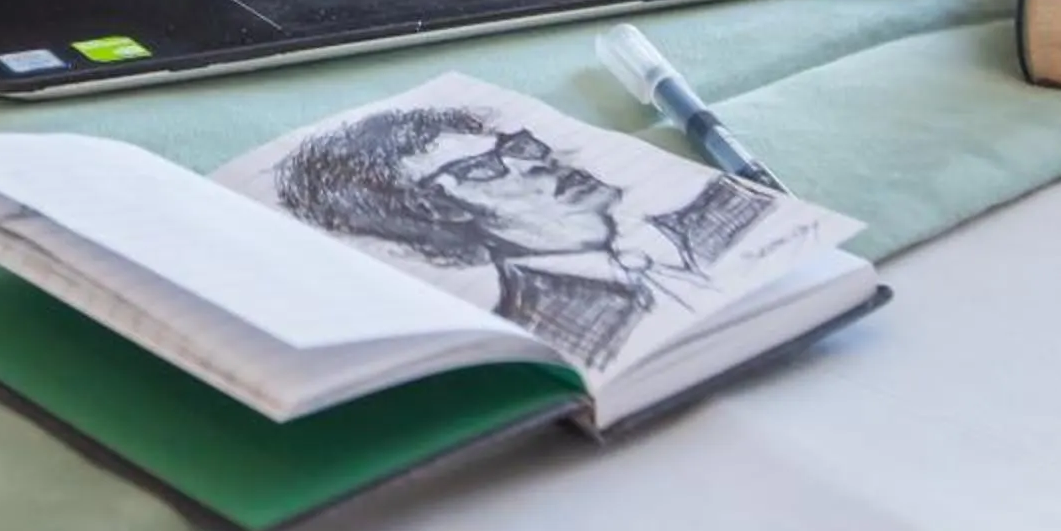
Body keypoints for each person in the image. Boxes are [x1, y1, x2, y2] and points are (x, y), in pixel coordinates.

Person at [273, 102, 771, 372]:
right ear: (436, 210)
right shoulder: (536, 345)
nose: (533, 162)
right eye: (482, 168)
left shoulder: (734, 211)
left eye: (518, 145)